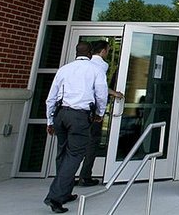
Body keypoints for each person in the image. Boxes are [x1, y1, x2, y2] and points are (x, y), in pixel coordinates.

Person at [44, 41, 108, 214]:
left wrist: (50, 120)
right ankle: (55, 197)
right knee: (75, 156)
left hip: (60, 114)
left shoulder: (64, 69)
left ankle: (65, 192)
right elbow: (101, 94)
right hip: (79, 116)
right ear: (90, 54)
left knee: (63, 154)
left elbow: (51, 97)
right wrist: (100, 113)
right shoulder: (95, 70)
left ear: (76, 52)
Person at [78, 40, 124, 187]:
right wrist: (101, 111)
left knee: (75, 144)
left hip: (74, 110)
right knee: (92, 142)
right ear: (103, 51)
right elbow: (100, 90)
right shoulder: (100, 66)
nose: (109, 52)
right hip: (90, 110)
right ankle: (85, 176)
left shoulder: (78, 66)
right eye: (108, 50)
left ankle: (67, 177)